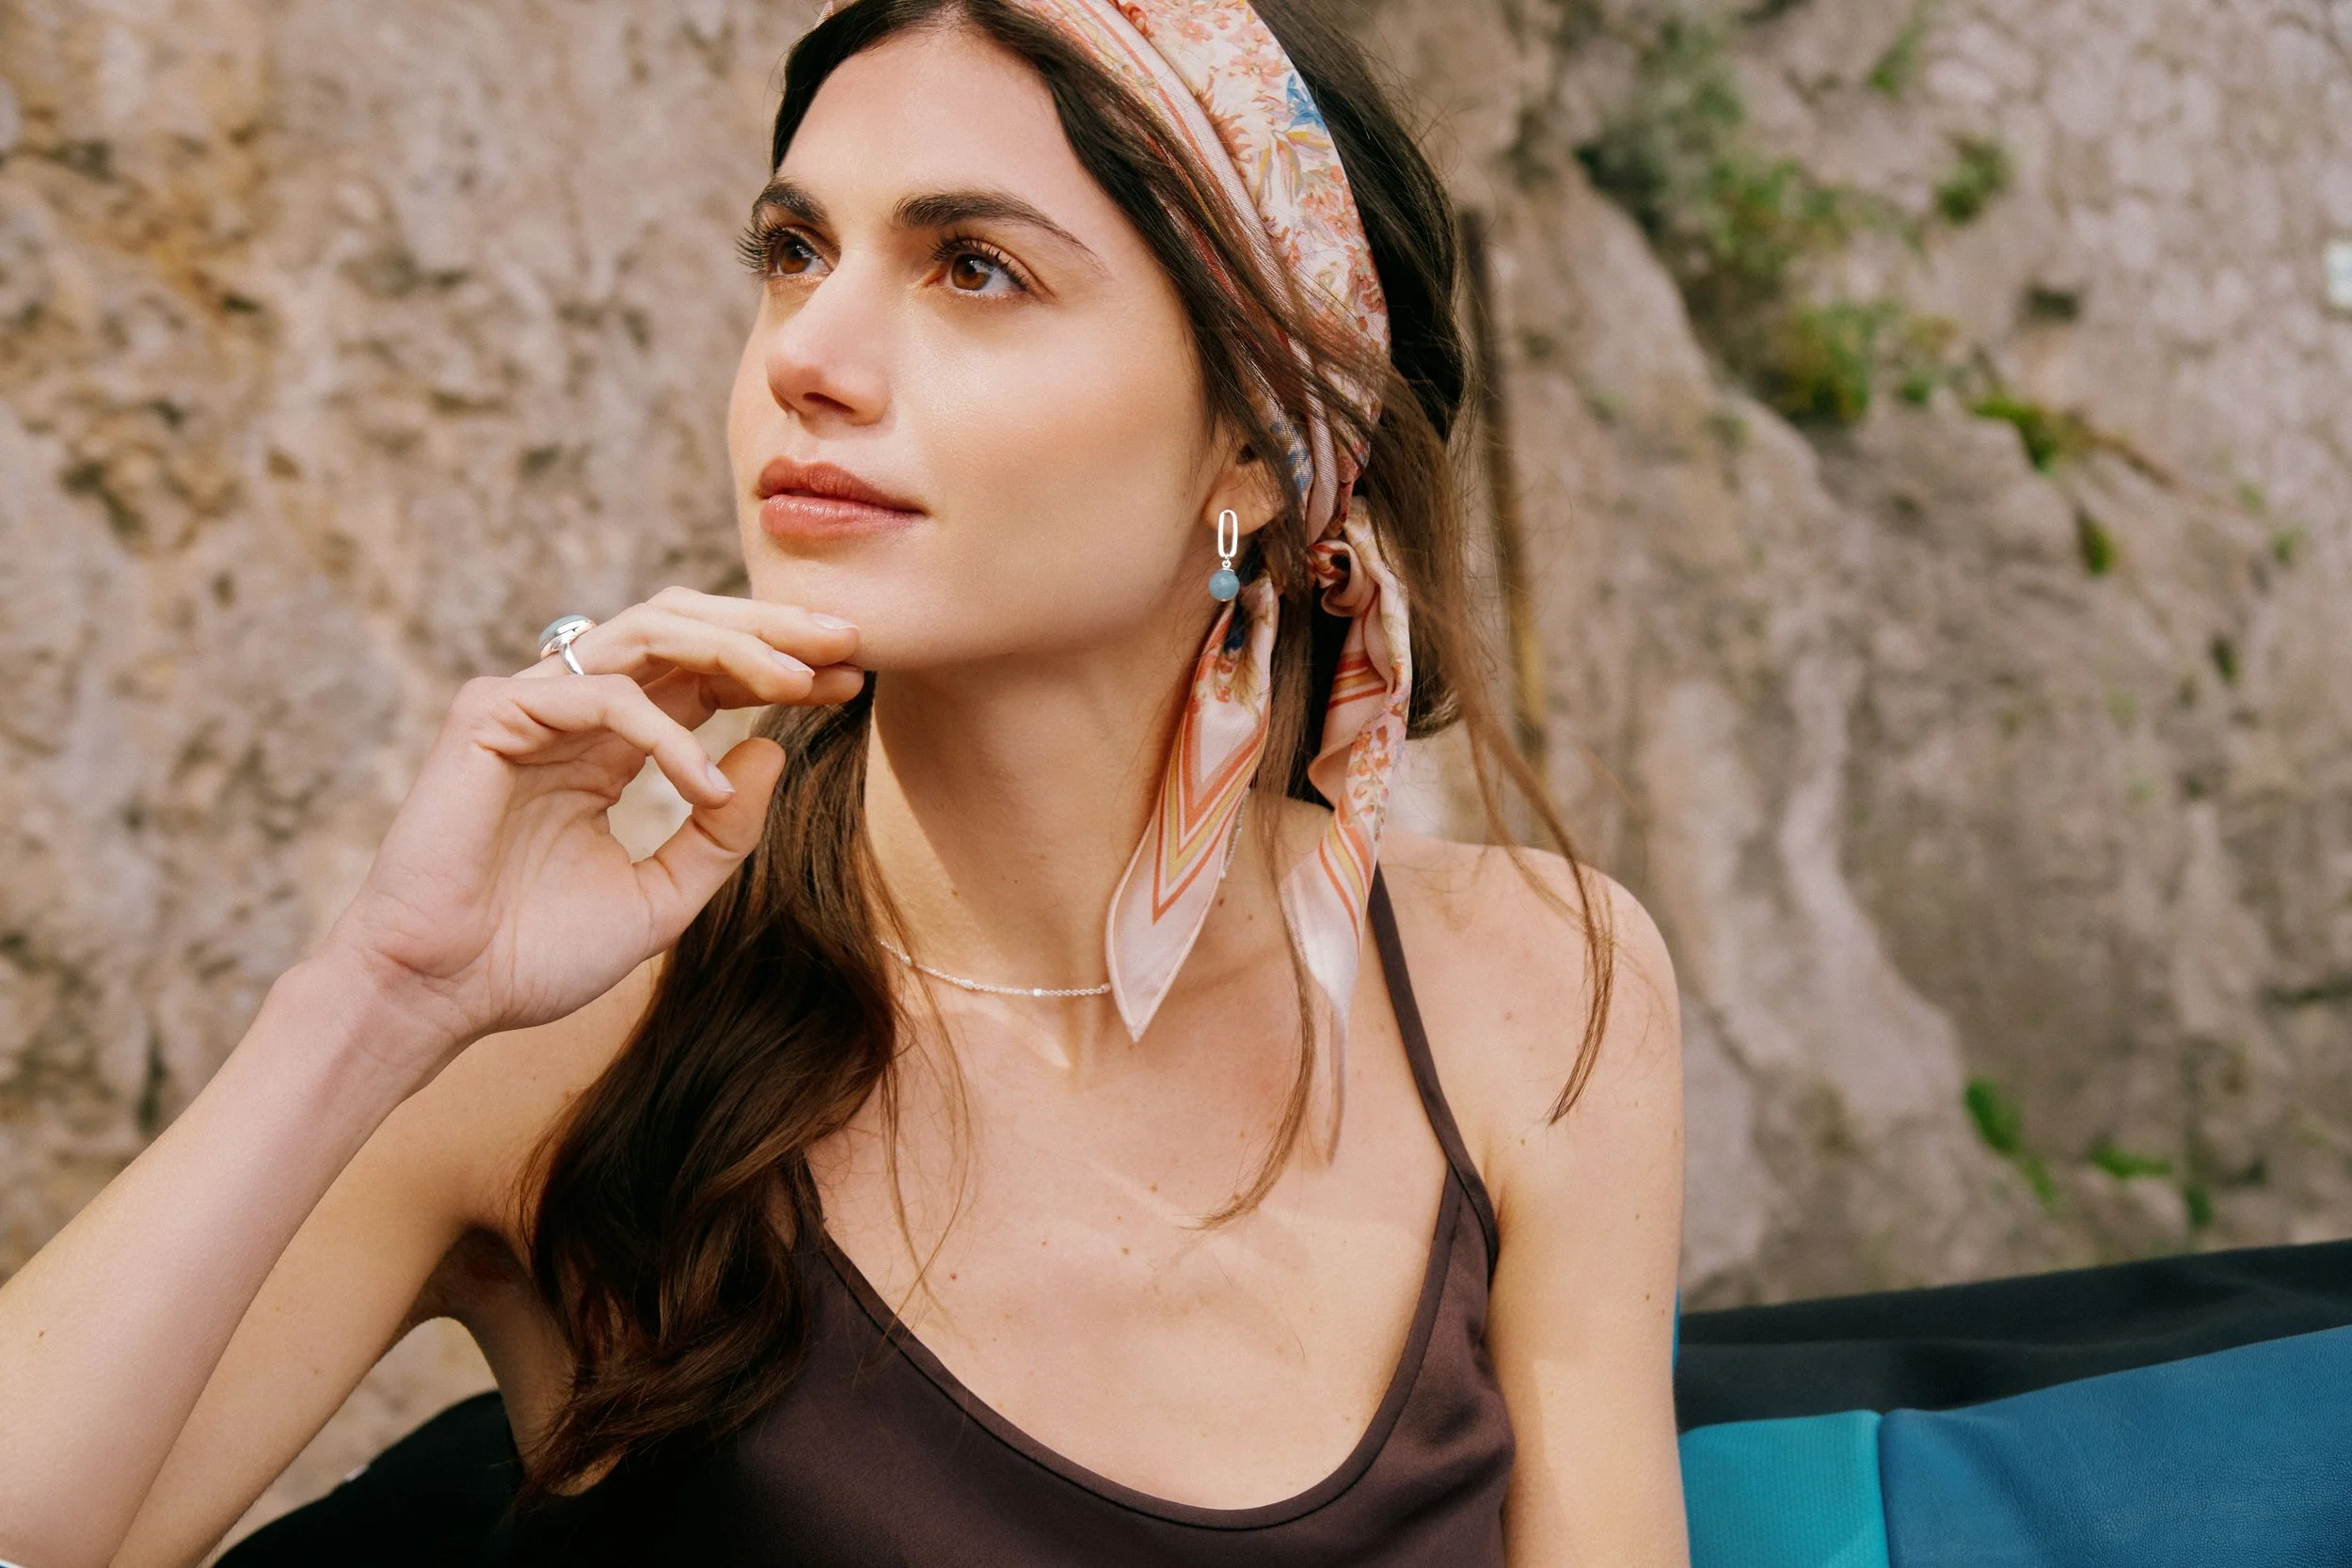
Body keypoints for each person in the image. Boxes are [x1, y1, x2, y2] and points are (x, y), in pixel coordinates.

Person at [0, 0, 1688, 1562]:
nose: (812, 351)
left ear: (1259, 436)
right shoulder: (560, 1035)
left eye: (974, 268)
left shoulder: (1537, 989)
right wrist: (377, 996)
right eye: (793, 251)